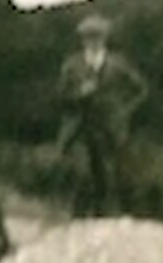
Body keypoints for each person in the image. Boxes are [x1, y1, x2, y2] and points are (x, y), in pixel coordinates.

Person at [56, 13, 150, 214]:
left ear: (105, 38)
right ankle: (80, 220)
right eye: (88, 36)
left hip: (111, 125)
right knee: (84, 176)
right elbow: (60, 97)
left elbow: (141, 88)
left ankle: (127, 217)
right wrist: (79, 93)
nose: (93, 41)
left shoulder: (118, 63)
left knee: (120, 173)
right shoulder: (72, 66)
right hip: (81, 126)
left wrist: (125, 110)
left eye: (97, 36)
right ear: (82, 39)